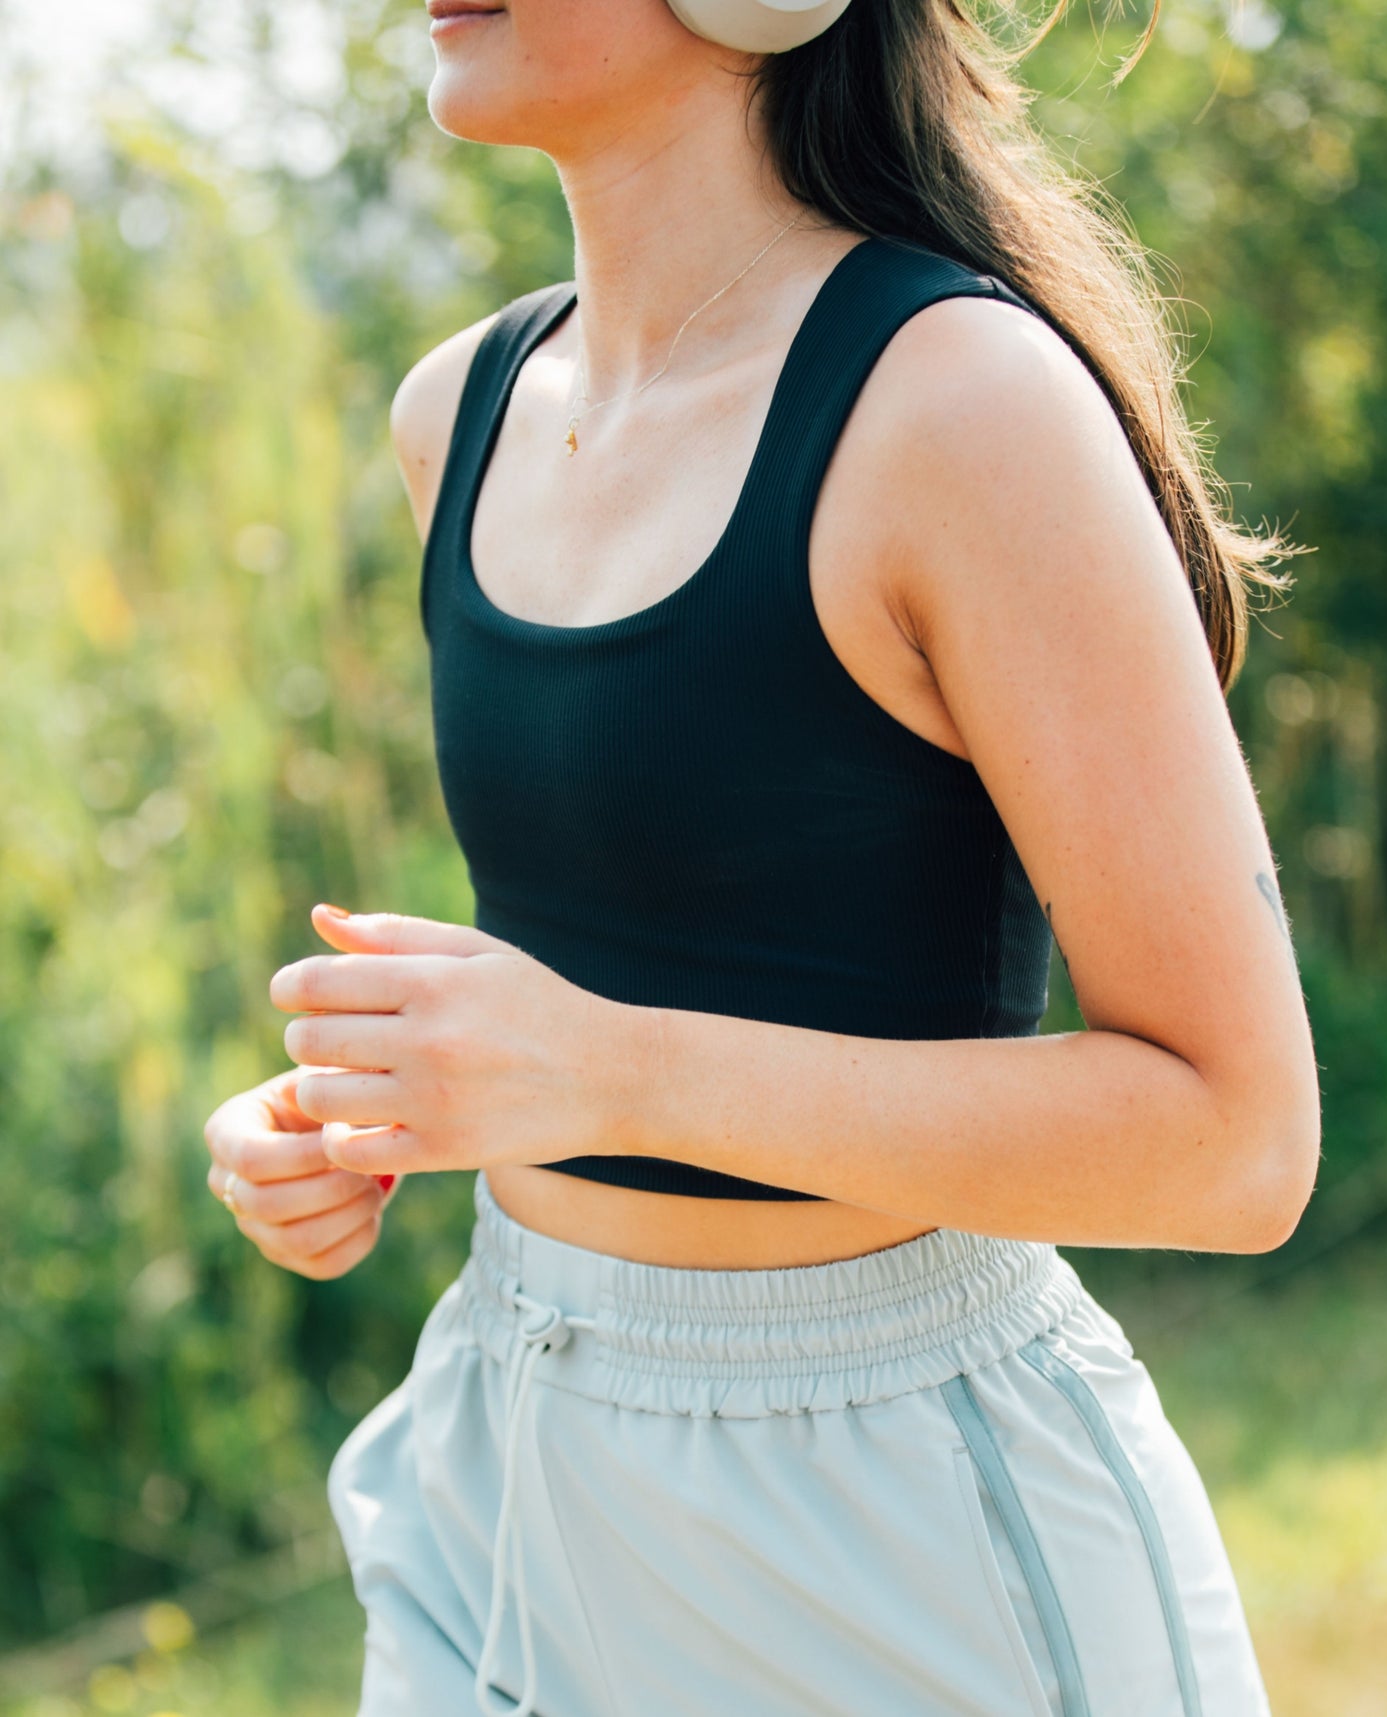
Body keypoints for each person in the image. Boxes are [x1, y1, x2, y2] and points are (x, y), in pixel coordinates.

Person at [202, 0, 1321, 1711]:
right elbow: (626, 968)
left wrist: (612, 1073)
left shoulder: (961, 402)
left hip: (899, 1522)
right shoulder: (462, 413)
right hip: (511, 1453)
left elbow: (1235, 1142)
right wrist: (368, 1116)